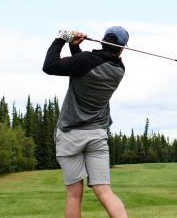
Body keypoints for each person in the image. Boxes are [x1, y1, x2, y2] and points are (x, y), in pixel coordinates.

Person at [42, 26, 130, 218]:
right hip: (97, 135)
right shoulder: (119, 70)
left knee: (74, 195)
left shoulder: (86, 61)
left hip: (70, 135)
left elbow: (49, 66)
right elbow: (83, 67)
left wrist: (61, 39)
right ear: (122, 48)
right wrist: (74, 47)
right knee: (105, 191)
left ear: (102, 40)